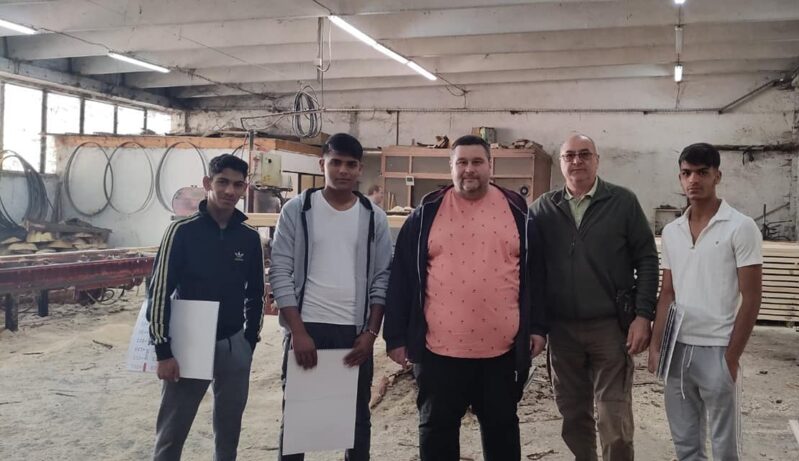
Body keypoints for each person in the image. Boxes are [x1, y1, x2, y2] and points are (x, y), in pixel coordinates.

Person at [384, 134, 547, 461]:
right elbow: (401, 278)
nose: (469, 169)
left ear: (490, 165)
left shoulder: (517, 212)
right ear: (451, 167)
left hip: (501, 354)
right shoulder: (426, 214)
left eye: (476, 162)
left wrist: (538, 328)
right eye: (461, 162)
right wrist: (397, 337)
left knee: (502, 430)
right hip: (438, 353)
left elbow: (537, 276)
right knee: (437, 431)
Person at [529, 134, 659, 461]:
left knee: (614, 416)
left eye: (585, 154)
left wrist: (643, 316)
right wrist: (535, 325)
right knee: (572, 414)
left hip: (610, 327)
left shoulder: (622, 203)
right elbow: (528, 268)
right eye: (569, 156)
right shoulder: (543, 209)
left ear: (597, 160)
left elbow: (646, 259)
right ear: (561, 163)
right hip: (562, 331)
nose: (577, 161)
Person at [269, 133, 393, 461]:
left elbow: (382, 278)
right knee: (298, 422)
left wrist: (370, 333)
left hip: (354, 333)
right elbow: (280, 272)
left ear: (360, 169)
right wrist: (297, 332)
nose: (342, 170)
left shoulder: (374, 217)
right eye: (335, 162)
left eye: (351, 164)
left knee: (356, 422)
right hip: (307, 329)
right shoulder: (297, 210)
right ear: (321, 163)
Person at [648, 143, 763, 461]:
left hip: (718, 348)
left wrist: (731, 357)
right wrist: (656, 345)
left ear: (717, 176)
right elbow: (667, 293)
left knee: (725, 448)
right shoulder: (672, 232)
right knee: (685, 444)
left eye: (702, 172)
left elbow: (752, 297)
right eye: (686, 173)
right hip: (677, 348)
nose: (693, 180)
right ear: (680, 177)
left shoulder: (740, 227)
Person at [148, 154, 265, 461]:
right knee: (172, 432)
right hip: (188, 346)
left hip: (233, 343)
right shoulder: (182, 232)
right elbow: (159, 292)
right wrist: (163, 350)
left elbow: (256, 293)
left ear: (245, 188)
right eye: (222, 182)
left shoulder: (249, 238)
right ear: (207, 183)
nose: (229, 190)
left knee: (228, 433)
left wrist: (248, 341)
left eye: (237, 184)